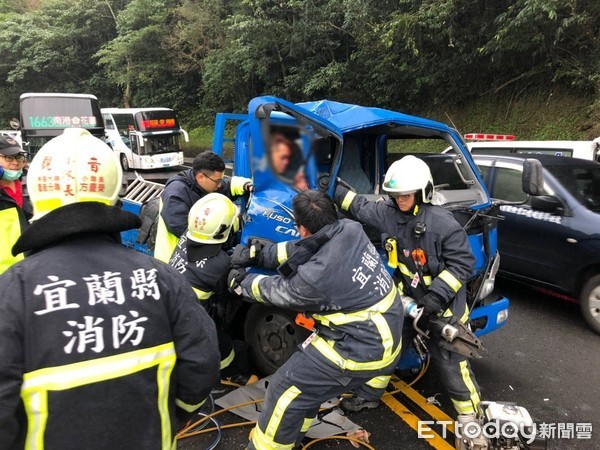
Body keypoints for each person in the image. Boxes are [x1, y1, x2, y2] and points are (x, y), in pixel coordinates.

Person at [0, 129, 220, 450]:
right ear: (113, 191)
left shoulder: (13, 291)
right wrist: (174, 416)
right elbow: (202, 362)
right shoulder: (161, 278)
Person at [227, 190, 403, 450]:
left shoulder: (316, 277)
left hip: (360, 348)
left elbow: (279, 291)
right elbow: (302, 249)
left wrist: (242, 283)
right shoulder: (349, 229)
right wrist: (262, 253)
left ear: (301, 227)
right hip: (386, 329)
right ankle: (294, 433)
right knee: (307, 386)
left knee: (284, 388)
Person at [333, 155, 482, 434]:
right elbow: (360, 207)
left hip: (444, 309)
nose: (400, 201)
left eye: (406, 195)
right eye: (396, 195)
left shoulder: (443, 224)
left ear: (423, 192)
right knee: (387, 348)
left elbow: (463, 263)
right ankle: (369, 396)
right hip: (408, 303)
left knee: (451, 364)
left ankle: (470, 416)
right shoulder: (388, 214)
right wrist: (333, 189)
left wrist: (436, 298)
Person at [169, 193, 251, 381]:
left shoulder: (185, 237)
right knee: (224, 347)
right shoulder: (220, 264)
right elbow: (228, 296)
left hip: (168, 310)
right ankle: (225, 376)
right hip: (191, 322)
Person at [154, 151, 253, 262]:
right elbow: (194, 232)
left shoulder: (201, 183)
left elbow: (227, 184)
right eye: (217, 181)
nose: (219, 185)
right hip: (174, 260)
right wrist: (231, 226)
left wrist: (245, 184)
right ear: (201, 177)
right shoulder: (176, 195)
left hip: (194, 257)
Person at [0, 135, 30, 274]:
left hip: (28, 269)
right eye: (8, 157)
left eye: (18, 157)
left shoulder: (30, 184)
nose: (15, 162)